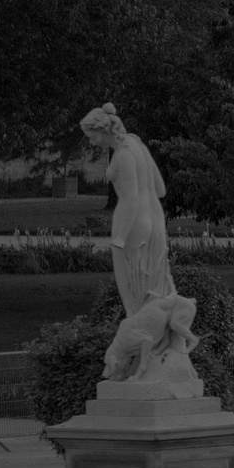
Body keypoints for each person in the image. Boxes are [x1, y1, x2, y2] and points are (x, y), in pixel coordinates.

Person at [79, 103, 196, 387]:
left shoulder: (122, 155)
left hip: (133, 228)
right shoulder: (137, 145)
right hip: (155, 221)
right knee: (157, 289)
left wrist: (118, 237)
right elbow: (160, 189)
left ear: (103, 130)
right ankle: (164, 351)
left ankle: (145, 359)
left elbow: (130, 198)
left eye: (91, 135)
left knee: (136, 299)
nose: (91, 141)